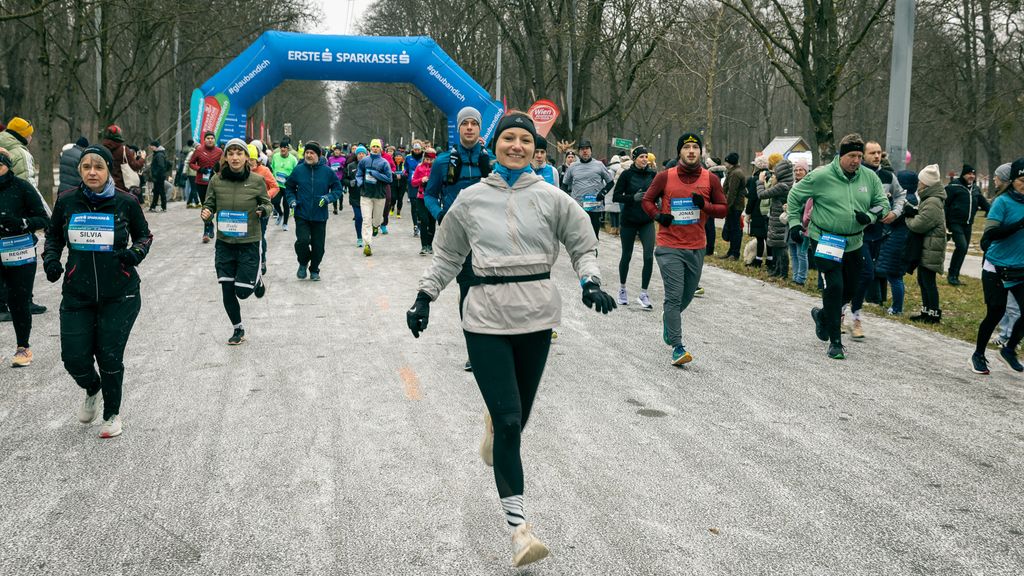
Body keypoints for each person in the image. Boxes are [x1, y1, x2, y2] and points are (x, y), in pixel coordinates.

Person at [406, 112, 615, 568]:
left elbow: (583, 243)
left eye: (525, 140)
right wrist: (425, 295)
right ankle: (520, 530)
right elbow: (447, 254)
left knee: (517, 419)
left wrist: (590, 281)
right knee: (508, 420)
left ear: (534, 149)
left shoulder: (552, 197)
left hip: (537, 317)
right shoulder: (470, 200)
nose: (516, 146)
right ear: (494, 145)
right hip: (484, 318)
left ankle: (496, 428)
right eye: (508, 139)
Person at [42, 145, 153, 438]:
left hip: (120, 292)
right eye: (87, 167)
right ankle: (92, 387)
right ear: (79, 170)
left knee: (109, 356)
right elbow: (53, 235)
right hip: (78, 292)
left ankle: (112, 414)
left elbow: (144, 235)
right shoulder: (67, 201)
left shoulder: (125, 202)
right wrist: (51, 259)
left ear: (108, 171)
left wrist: (135, 254)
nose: (93, 172)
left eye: (99, 167)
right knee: (74, 357)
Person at [786, 133, 888, 360]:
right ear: (841, 155)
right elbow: (794, 196)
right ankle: (836, 342)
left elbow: (883, 203)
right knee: (834, 286)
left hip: (854, 242)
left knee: (850, 289)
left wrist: (870, 217)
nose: (856, 160)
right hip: (826, 240)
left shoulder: (869, 178)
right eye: (852, 155)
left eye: (860, 156)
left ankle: (823, 315)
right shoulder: (821, 176)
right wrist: (794, 223)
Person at [641, 132, 727, 365]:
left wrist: (705, 206)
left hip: (696, 246)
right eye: (686, 147)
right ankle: (678, 347)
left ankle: (669, 320)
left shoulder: (710, 179)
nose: (691, 151)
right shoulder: (664, 177)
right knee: (674, 295)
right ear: (679, 151)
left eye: (695, 147)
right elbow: (647, 201)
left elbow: (723, 209)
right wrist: (659, 216)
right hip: (669, 245)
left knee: (686, 296)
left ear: (701, 152)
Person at [424, 106, 493, 372]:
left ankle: (496, 343)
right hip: (459, 238)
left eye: (474, 124)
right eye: (465, 124)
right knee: (468, 292)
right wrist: (440, 214)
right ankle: (474, 351)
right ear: (459, 128)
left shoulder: (490, 160)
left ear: (479, 128)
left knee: (490, 292)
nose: (469, 128)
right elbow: (430, 194)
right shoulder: (443, 161)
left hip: (488, 237)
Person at [200, 139, 272, 344]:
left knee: (242, 291)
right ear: (225, 158)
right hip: (224, 243)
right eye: (230, 153)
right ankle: (237, 328)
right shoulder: (216, 180)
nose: (234, 157)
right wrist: (206, 213)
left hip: (249, 241)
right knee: (227, 288)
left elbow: (267, 203)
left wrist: (263, 210)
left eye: (239, 153)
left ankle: (256, 280)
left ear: (246, 158)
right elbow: (209, 204)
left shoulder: (257, 181)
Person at [846, 140, 906, 338]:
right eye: (872, 153)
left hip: (877, 235)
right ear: (863, 155)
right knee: (866, 274)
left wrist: (895, 213)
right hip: (857, 232)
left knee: (860, 276)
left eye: (879, 152)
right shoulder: (856, 174)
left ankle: (844, 312)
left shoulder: (888, 175)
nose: (876, 156)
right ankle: (854, 317)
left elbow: (900, 196)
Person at [971, 158, 1024, 374]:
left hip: (1020, 269)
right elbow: (991, 234)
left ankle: (1009, 350)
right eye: (1022, 179)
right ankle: (978, 354)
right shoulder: (1002, 203)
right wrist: (1019, 224)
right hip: (996, 267)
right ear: (1012, 180)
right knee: (995, 312)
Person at [0, 151, 49, 366]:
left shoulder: (22, 187)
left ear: (7, 166)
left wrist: (21, 223)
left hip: (19, 252)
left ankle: (23, 347)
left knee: (19, 300)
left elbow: (43, 218)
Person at [284, 141, 343, 279]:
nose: (309, 155)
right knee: (302, 241)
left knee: (318, 247)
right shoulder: (298, 170)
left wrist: (328, 198)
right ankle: (303, 263)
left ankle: (315, 269)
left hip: (319, 215)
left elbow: (337, 189)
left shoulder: (327, 172)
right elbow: (289, 188)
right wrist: (292, 200)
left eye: (312, 153)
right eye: (307, 153)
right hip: (301, 213)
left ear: (318, 155)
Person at [612, 145, 656, 308]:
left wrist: (657, 202)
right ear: (635, 159)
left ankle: (643, 294)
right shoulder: (626, 175)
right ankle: (622, 289)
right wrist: (632, 198)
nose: (645, 160)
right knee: (627, 255)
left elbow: (658, 192)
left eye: (646, 157)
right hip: (629, 220)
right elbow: (616, 196)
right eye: (641, 157)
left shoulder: (653, 174)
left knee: (649, 256)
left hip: (646, 220)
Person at [905, 165, 947, 324]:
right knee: (923, 280)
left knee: (929, 282)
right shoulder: (929, 199)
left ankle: (933, 314)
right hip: (928, 246)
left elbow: (919, 225)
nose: (918, 184)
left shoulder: (933, 201)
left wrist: (908, 217)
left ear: (927, 183)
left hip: (931, 248)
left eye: (920, 181)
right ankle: (926, 310)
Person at [874, 169, 918, 315]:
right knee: (893, 275)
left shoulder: (907, 200)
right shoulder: (912, 198)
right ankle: (893, 305)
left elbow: (894, 219)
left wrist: (890, 202)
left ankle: (897, 308)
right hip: (899, 240)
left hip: (898, 241)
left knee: (895, 276)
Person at [944, 164, 990, 286]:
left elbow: (984, 204)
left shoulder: (975, 189)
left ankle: (955, 276)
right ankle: (951, 275)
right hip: (954, 223)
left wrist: (995, 213)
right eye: (969, 174)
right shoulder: (953, 187)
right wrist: (945, 223)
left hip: (968, 224)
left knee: (962, 250)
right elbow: (945, 205)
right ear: (964, 174)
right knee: (962, 247)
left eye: (973, 174)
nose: (971, 176)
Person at [562, 139, 613, 239]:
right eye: (582, 149)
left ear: (591, 151)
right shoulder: (573, 166)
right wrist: (566, 199)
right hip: (578, 207)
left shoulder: (599, 165)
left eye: (587, 149)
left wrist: (602, 193)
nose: (585, 151)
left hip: (594, 206)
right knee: (578, 236)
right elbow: (564, 185)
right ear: (579, 152)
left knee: (593, 237)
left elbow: (610, 182)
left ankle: (593, 254)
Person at [757, 154, 794, 279]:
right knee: (777, 245)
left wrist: (760, 182)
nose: (774, 173)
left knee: (781, 246)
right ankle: (777, 270)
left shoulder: (782, 185)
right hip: (777, 217)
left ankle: (782, 272)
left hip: (779, 219)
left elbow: (762, 194)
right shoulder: (786, 182)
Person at [355, 139, 393, 256]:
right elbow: (359, 173)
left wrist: (376, 174)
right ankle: (367, 245)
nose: (375, 148)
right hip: (366, 195)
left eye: (377, 146)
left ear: (380, 148)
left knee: (376, 219)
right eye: (373, 146)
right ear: (370, 148)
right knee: (366, 220)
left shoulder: (384, 162)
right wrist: (360, 182)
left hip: (379, 196)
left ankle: (376, 226)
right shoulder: (364, 161)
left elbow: (389, 179)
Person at [248, 144, 279, 275]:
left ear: (258, 159)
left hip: (262, 209)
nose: (250, 164)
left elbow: (275, 187)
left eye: (252, 160)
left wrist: (266, 196)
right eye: (247, 160)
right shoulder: (240, 171)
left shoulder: (264, 171)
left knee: (259, 236)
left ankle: (262, 260)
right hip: (246, 210)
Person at [188, 131, 222, 242]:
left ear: (214, 140)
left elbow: (224, 164)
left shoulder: (219, 151)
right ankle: (207, 229)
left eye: (212, 138)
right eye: (208, 138)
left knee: (214, 205)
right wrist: (199, 169)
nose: (210, 140)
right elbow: (191, 163)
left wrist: (217, 170)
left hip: (216, 182)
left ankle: (210, 222)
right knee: (205, 206)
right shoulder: (199, 150)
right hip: (201, 182)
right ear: (204, 140)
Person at [100, 125, 145, 195]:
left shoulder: (101, 149)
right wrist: (142, 158)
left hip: (104, 185)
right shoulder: (123, 149)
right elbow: (135, 166)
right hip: (120, 187)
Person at [787, 159, 812, 285]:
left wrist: (792, 207)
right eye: (795, 170)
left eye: (800, 169)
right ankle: (795, 276)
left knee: (801, 253)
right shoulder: (794, 184)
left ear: (806, 171)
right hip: (792, 223)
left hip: (803, 224)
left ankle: (801, 278)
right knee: (793, 252)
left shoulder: (808, 185)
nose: (797, 172)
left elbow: (807, 204)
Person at [745, 155, 770, 268]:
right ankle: (770, 260)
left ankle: (758, 260)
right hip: (769, 210)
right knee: (768, 237)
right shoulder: (771, 176)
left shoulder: (755, 179)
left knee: (760, 238)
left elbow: (752, 197)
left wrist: (748, 212)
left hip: (757, 210)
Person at [411, 147, 437, 255]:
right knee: (424, 220)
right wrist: (421, 180)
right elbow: (413, 182)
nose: (429, 162)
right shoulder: (419, 168)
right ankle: (423, 246)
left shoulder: (436, 169)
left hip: (433, 198)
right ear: (424, 158)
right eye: (427, 159)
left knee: (431, 223)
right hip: (421, 198)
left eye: (431, 160)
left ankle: (430, 245)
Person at [721, 152, 746, 260]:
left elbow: (732, 192)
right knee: (731, 229)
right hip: (734, 205)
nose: (724, 163)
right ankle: (731, 251)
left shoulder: (735, 173)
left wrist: (727, 206)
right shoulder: (732, 172)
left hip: (735, 206)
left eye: (726, 161)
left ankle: (735, 253)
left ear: (730, 163)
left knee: (736, 230)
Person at [269, 139, 298, 230]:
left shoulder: (293, 159)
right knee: (274, 201)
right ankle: (280, 214)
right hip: (277, 185)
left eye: (284, 148)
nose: (282, 149)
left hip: (288, 186)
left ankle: (285, 223)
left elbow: (296, 172)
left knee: (286, 205)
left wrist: (292, 180)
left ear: (288, 149)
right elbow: (272, 168)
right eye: (281, 148)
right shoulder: (275, 156)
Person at [0, 117, 38, 188]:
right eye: (29, 135)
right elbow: (28, 186)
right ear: (22, 136)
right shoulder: (22, 155)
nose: (31, 138)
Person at [343, 147, 366, 247]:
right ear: (356, 155)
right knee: (358, 217)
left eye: (363, 153)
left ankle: (368, 235)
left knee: (368, 219)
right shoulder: (350, 166)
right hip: (355, 197)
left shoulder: (370, 165)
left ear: (366, 155)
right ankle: (359, 238)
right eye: (359, 153)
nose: (361, 155)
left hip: (368, 196)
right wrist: (349, 182)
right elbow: (344, 180)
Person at [147, 140, 172, 213]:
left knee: (161, 192)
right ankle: (154, 207)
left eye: (151, 146)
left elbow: (161, 166)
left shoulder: (159, 155)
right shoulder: (158, 153)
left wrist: (155, 174)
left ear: (155, 146)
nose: (151, 147)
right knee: (157, 192)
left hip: (159, 177)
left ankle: (162, 207)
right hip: (159, 176)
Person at [326, 146, 347, 215]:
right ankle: (335, 208)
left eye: (338, 150)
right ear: (333, 151)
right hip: (332, 179)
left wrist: (341, 167)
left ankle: (340, 204)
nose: (337, 152)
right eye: (335, 150)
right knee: (333, 193)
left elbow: (345, 169)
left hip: (340, 179)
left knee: (340, 193)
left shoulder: (343, 159)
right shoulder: (330, 158)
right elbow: (327, 167)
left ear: (340, 151)